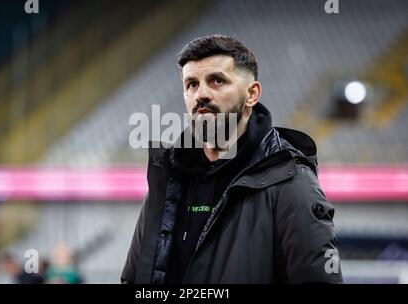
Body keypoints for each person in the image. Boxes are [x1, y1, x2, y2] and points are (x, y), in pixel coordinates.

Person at [121, 35, 343, 284]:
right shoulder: (168, 179)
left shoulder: (290, 179)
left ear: (252, 94)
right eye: (191, 84)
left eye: (216, 81)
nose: (200, 95)